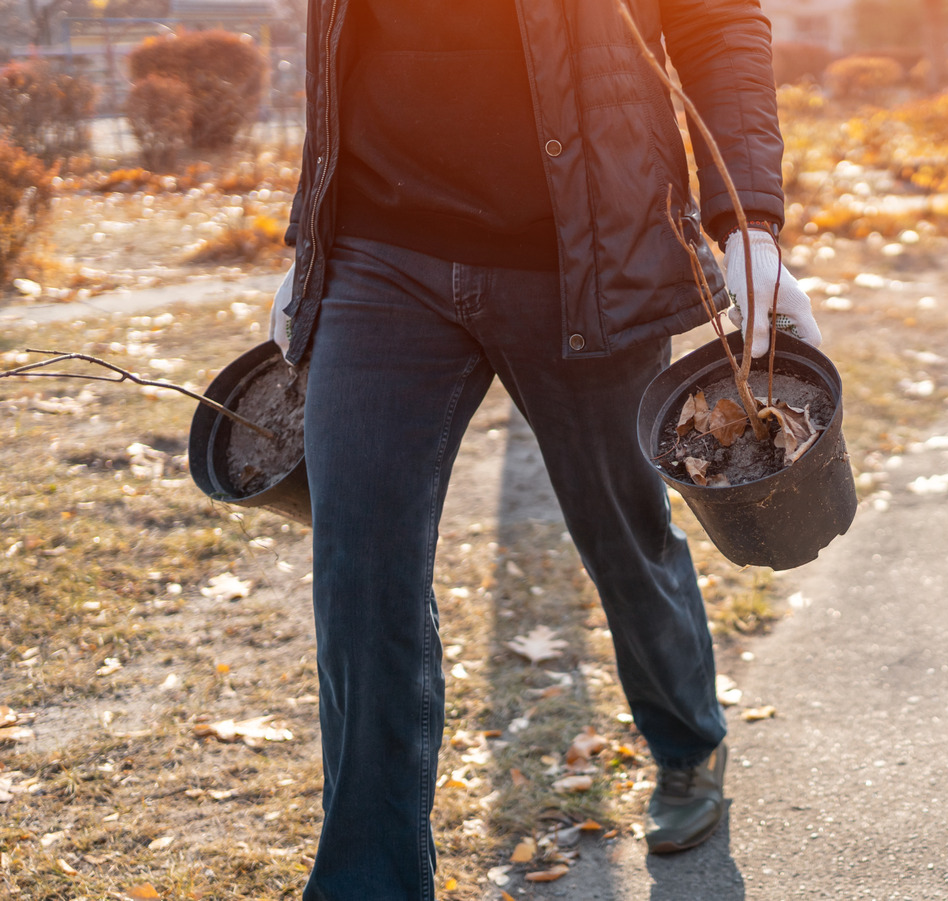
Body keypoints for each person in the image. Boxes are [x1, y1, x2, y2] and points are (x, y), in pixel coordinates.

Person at [269, 1, 819, 897]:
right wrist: (315, 236)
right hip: (380, 252)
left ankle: (689, 744)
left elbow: (716, 19)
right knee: (359, 570)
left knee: (620, 528)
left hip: (587, 251)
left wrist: (749, 223)